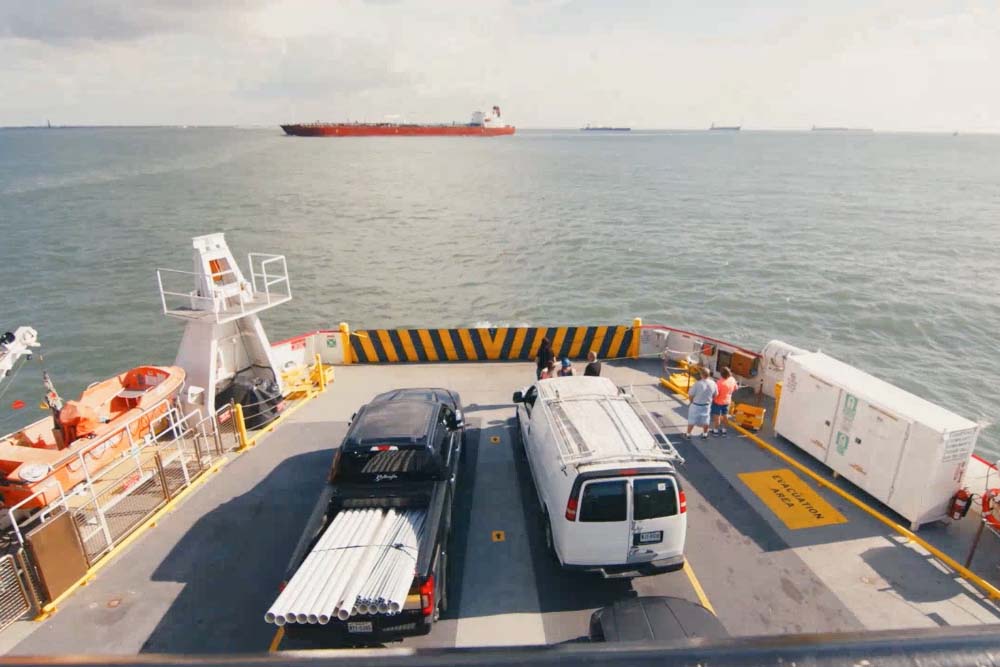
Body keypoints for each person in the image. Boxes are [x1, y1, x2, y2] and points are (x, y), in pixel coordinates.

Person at [685, 368, 717, 439]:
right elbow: (715, 394)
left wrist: (691, 402)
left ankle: (688, 434)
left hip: (696, 405)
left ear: (701, 375)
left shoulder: (697, 384)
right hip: (706, 405)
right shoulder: (713, 383)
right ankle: (705, 434)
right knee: (706, 420)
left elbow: (691, 395)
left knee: (692, 420)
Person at [711, 366, 738, 435]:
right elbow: (736, 388)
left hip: (718, 402)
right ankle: (724, 430)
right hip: (727, 401)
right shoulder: (732, 379)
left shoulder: (719, 383)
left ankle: (716, 431)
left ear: (721, 374)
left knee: (717, 417)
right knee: (725, 415)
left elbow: (716, 394)